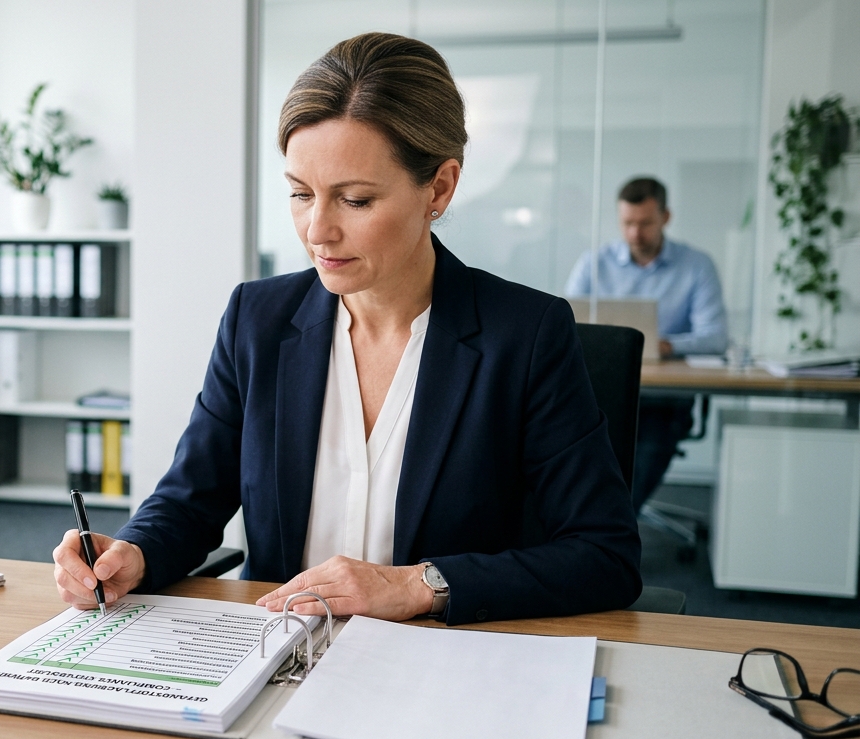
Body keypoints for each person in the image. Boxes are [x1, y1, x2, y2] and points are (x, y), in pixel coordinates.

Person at [53, 32, 641, 625]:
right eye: (301, 194)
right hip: (278, 658)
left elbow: (604, 554)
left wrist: (418, 586)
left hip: (442, 666)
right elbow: (190, 500)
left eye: (355, 200)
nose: (317, 231)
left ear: (439, 187)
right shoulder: (256, 320)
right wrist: (134, 551)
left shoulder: (526, 334)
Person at [565, 178, 727, 512]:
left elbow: (715, 337)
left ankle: (612, 529)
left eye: (645, 223)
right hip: (599, 392)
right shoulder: (594, 263)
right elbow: (567, 325)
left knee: (629, 483)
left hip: (661, 401)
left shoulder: (696, 266)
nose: (635, 234)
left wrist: (665, 345)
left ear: (665, 217)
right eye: (628, 223)